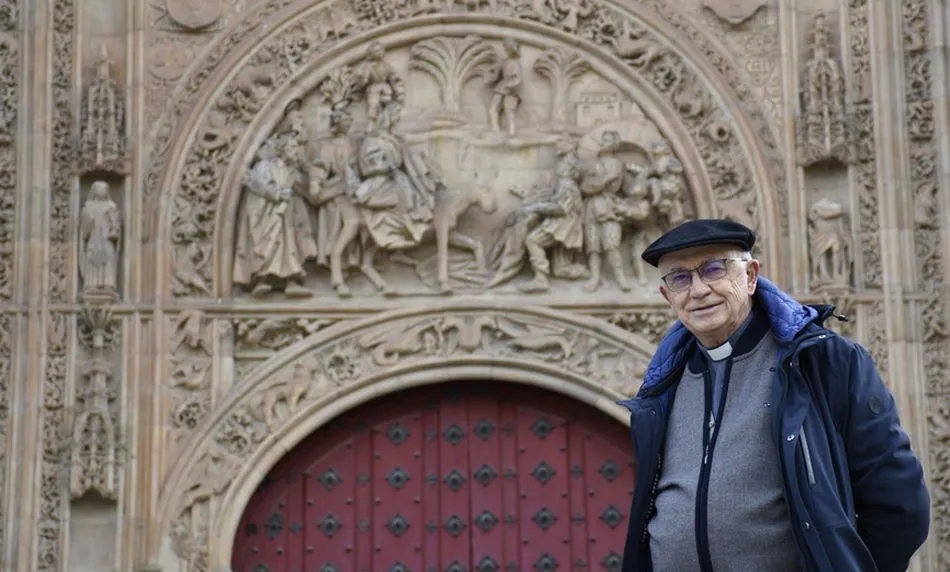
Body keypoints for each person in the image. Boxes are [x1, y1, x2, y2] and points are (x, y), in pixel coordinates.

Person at [619, 219, 930, 572]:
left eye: (714, 269)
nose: (699, 289)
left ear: (751, 276)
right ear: (667, 296)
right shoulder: (662, 386)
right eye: (680, 278)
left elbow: (899, 504)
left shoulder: (823, 363)